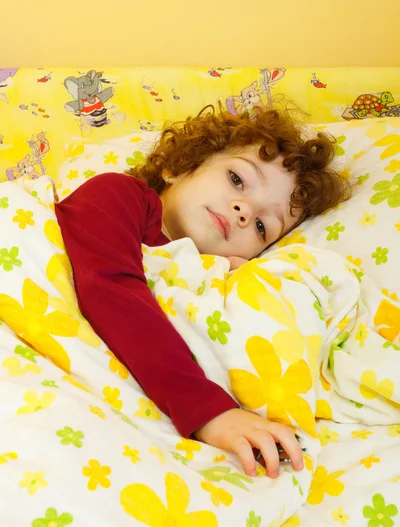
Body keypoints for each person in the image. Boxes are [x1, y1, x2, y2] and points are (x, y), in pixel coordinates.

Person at [55, 103, 349, 478]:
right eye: (238, 180)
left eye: (262, 226)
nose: (244, 210)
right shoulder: (117, 194)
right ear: (179, 167)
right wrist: (210, 412)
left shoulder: (219, 284)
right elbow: (109, 288)